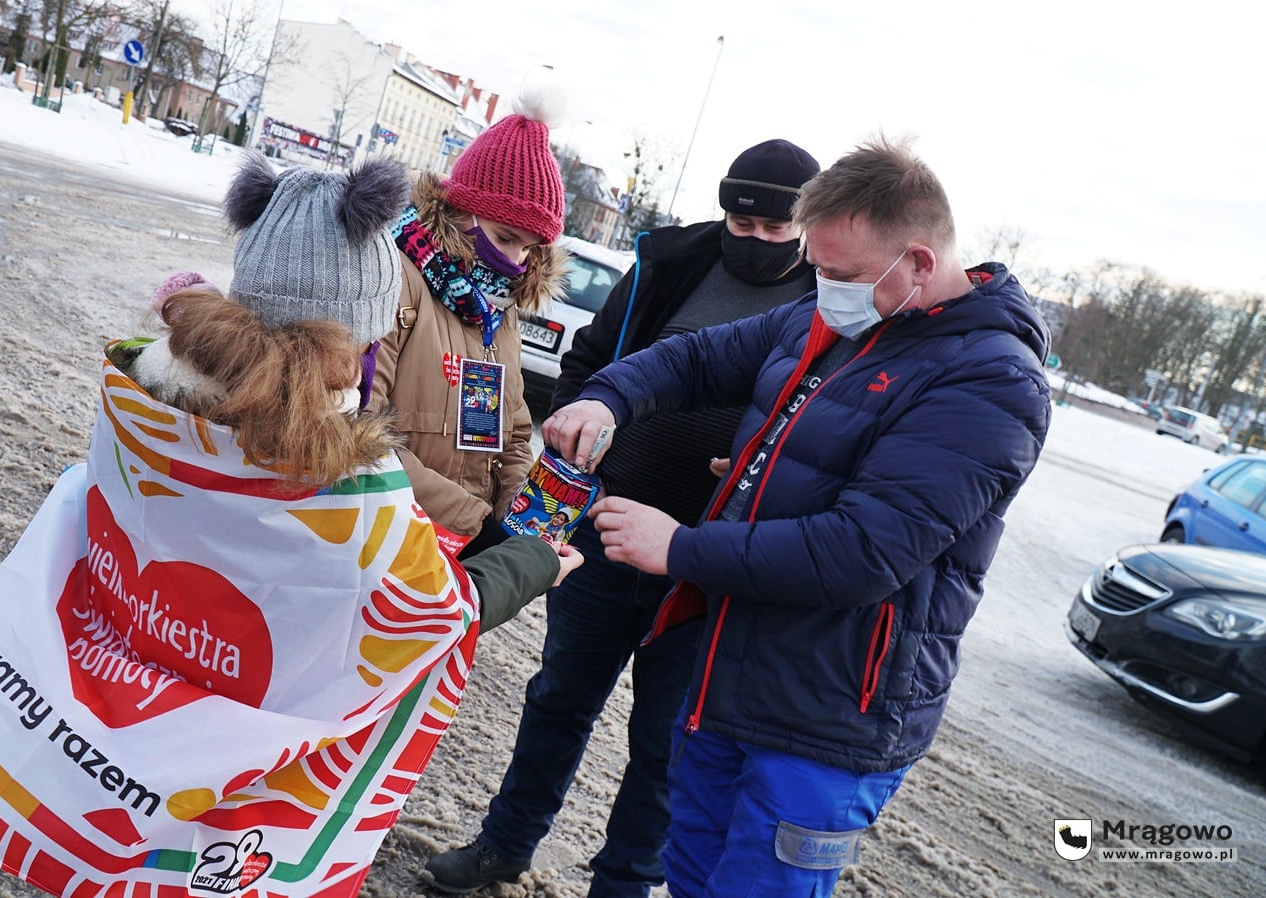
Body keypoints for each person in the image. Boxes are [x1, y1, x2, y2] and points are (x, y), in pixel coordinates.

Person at [0, 154, 582, 898]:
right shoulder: (344, 486)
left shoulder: (147, 405)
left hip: (119, 743)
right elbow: (431, 612)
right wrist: (537, 562)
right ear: (349, 335)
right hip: (231, 788)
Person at [541, 136, 1052, 897]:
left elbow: (860, 552)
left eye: (841, 275)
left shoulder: (992, 382)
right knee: (687, 874)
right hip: (731, 674)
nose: (825, 290)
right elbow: (696, 360)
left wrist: (679, 548)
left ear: (917, 261)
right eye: (818, 270)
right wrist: (606, 396)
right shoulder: (839, 321)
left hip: (828, 717)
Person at [424, 139, 823, 897]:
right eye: (744, 225)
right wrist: (587, 452)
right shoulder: (670, 266)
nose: (758, 243)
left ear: (805, 228)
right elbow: (591, 361)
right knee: (558, 699)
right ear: (724, 210)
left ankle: (625, 883)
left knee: (668, 742)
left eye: (778, 233)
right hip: (605, 530)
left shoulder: (822, 298)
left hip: (705, 560)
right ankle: (505, 844)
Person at [370, 90, 567, 559]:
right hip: (381, 539)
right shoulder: (395, 279)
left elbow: (516, 436)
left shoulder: (500, 311)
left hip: (454, 558)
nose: (515, 261)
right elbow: (359, 435)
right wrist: (473, 524)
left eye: (530, 249)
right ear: (459, 212)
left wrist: (519, 519)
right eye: (505, 238)